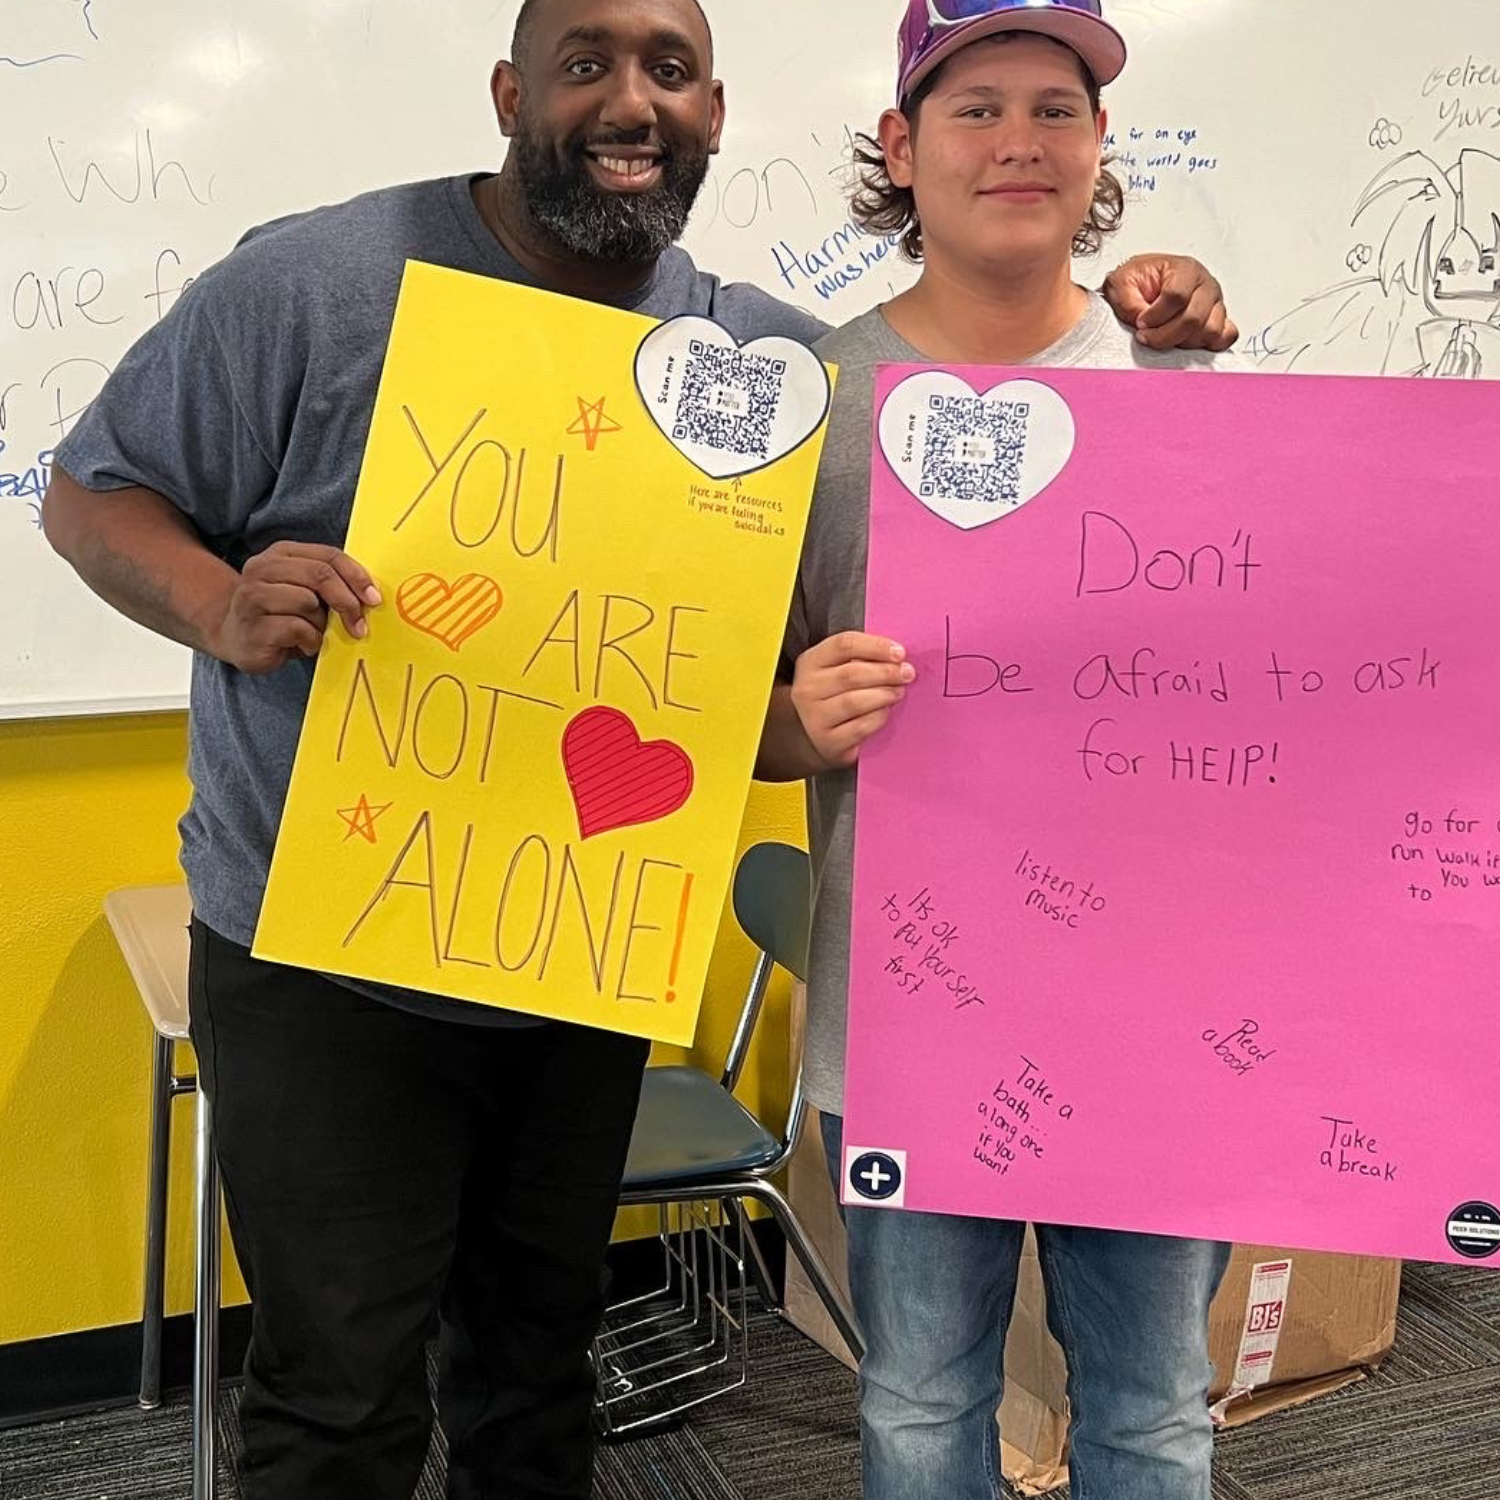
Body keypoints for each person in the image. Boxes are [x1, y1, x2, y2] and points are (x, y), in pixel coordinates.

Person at [41, 0, 1235, 1495]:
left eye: (669, 71)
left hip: (571, 953)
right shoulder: (321, 282)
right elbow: (92, 492)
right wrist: (222, 605)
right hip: (324, 954)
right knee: (336, 1397)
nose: (630, 102)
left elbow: (904, 578)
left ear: (715, 114)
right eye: (587, 63)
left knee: (539, 1375)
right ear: (507, 90)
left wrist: (1161, 331)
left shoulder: (760, 362)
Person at [757, 3, 1236, 1499]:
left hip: (1150, 1009)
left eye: (1057, 107)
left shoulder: (1187, 386)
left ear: (1101, 150)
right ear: (901, 149)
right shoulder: (813, 402)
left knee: (1156, 1404)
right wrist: (794, 719)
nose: (1020, 142)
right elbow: (722, 712)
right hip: (910, 1015)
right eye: (974, 110)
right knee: (916, 1401)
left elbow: (1274, 706)